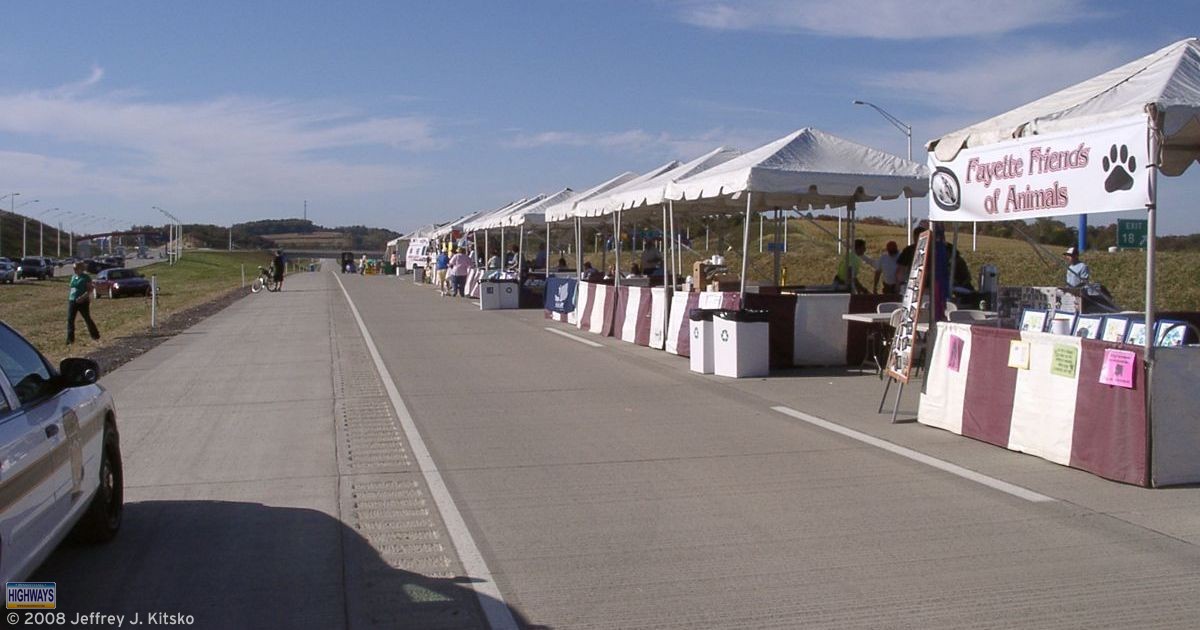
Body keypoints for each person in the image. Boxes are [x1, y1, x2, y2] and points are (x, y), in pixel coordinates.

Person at [66, 261, 100, 344]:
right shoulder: (73, 277)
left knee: (87, 318)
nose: (75, 270)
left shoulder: (86, 277)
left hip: (83, 301)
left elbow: (90, 290)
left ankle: (95, 335)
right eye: (74, 269)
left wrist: (82, 297)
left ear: (81, 269)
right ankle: (70, 340)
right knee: (70, 319)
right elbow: (72, 287)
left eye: (76, 269)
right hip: (72, 300)